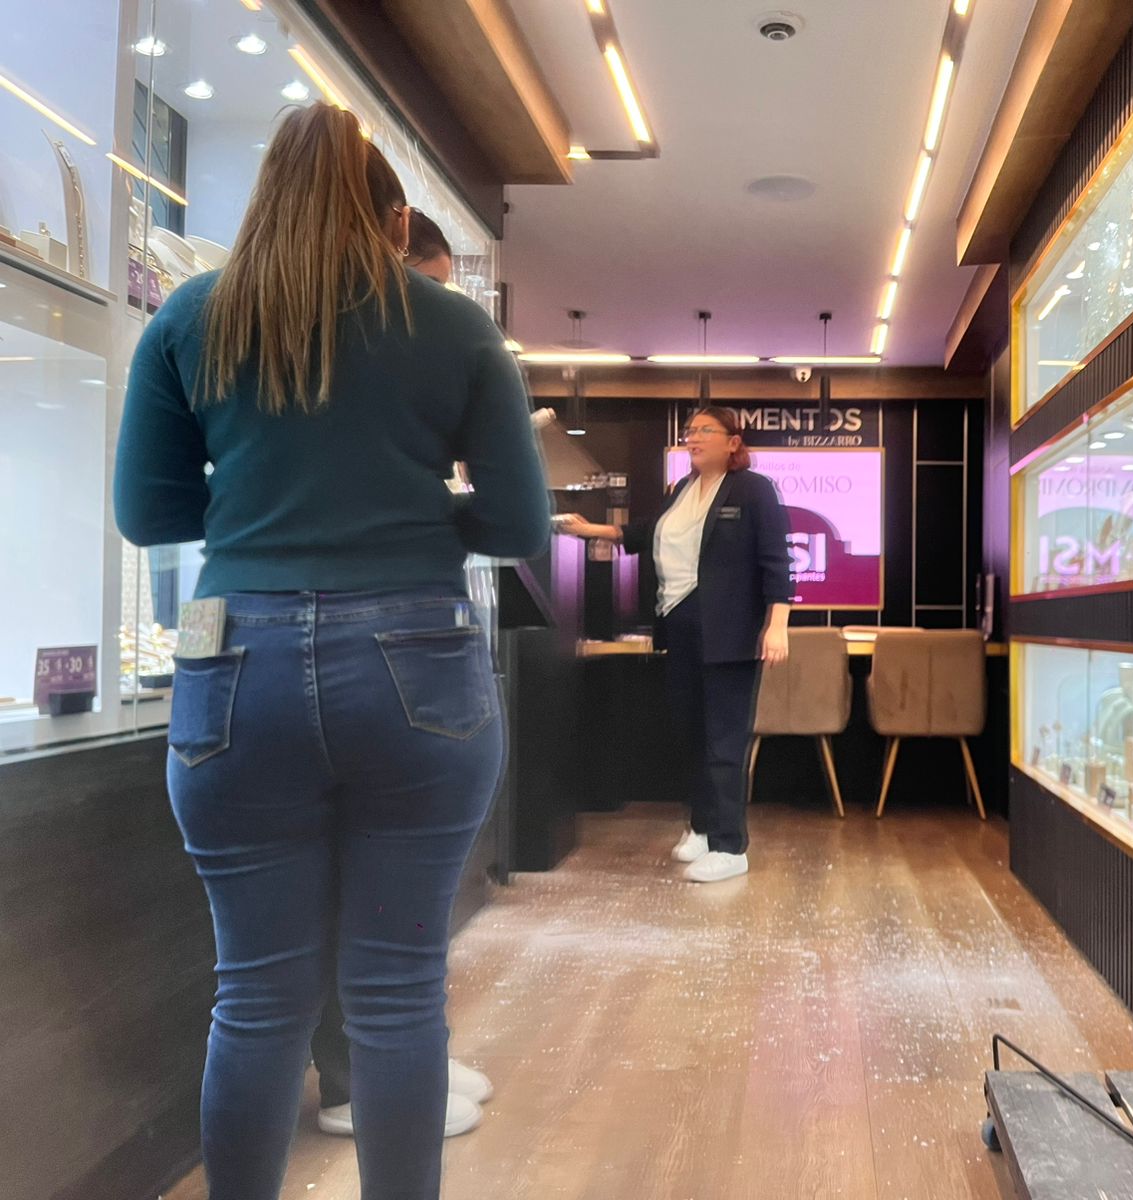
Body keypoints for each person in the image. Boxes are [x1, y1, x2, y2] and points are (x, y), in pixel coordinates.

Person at [113, 102, 549, 1200]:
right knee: (397, 993)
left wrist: (261, 516)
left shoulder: (190, 318)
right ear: (395, 223)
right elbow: (517, 525)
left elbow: (147, 510)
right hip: (416, 664)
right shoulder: (452, 328)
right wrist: (407, 514)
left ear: (263, 201)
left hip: (233, 665)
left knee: (256, 997)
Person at [307, 202, 493, 1141]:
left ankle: (394, 1060)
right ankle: (363, 1081)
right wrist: (427, 512)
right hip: (387, 643)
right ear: (388, 241)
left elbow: (157, 502)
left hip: (259, 647)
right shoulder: (419, 344)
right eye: (429, 282)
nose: (435, 305)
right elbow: (514, 518)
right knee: (365, 907)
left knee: (344, 922)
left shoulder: (228, 324)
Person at [561, 407, 792, 882]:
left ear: (733, 441)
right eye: (690, 431)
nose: (693, 438)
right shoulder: (681, 490)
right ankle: (703, 828)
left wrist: (777, 625)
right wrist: (591, 531)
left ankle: (730, 846)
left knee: (724, 739)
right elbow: (647, 532)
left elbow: (776, 560)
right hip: (679, 622)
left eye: (705, 430)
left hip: (729, 629)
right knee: (692, 732)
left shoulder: (753, 489)